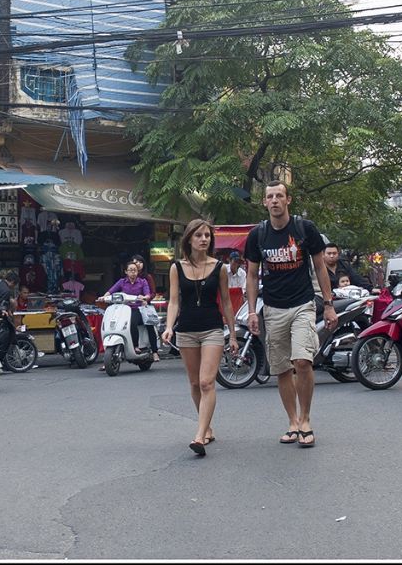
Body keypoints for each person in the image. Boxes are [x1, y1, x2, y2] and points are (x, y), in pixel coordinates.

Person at [244, 181, 334, 448]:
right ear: (264, 202)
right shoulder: (258, 235)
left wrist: (328, 304)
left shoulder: (304, 229)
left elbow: (320, 267)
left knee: (303, 361)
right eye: (270, 196)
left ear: (288, 200)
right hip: (272, 308)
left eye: (279, 196)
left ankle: (306, 420)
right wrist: (251, 311)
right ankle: (293, 422)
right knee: (282, 368)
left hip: (303, 305)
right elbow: (250, 275)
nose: (274, 200)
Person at [162, 219, 239, 456]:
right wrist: (169, 327)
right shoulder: (176, 267)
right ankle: (208, 427)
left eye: (207, 235)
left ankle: (199, 435)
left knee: (207, 382)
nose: (204, 239)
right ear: (189, 239)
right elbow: (174, 301)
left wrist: (233, 335)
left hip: (212, 329)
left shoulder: (220, 268)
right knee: (195, 383)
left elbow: (226, 302)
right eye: (199, 235)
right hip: (186, 329)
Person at [106, 258, 160, 361]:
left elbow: (148, 293)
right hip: (124, 309)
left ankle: (150, 350)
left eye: (134, 270)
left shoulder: (143, 281)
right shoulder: (122, 282)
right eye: (130, 270)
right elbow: (111, 291)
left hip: (138, 309)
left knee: (134, 322)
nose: (133, 272)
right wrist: (103, 297)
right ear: (126, 271)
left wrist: (145, 297)